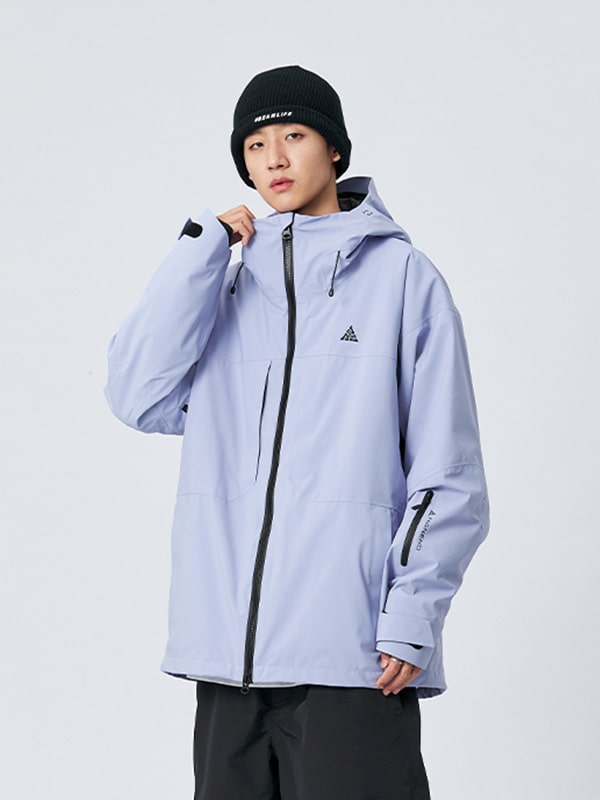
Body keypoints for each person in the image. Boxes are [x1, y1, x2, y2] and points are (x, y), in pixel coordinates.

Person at [105, 65, 489, 800]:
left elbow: (450, 472)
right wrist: (198, 254)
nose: (274, 159)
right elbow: (135, 394)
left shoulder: (404, 281)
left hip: (351, 655)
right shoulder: (220, 289)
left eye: (294, 135)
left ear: (334, 149)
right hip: (229, 662)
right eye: (255, 146)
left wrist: (413, 613)